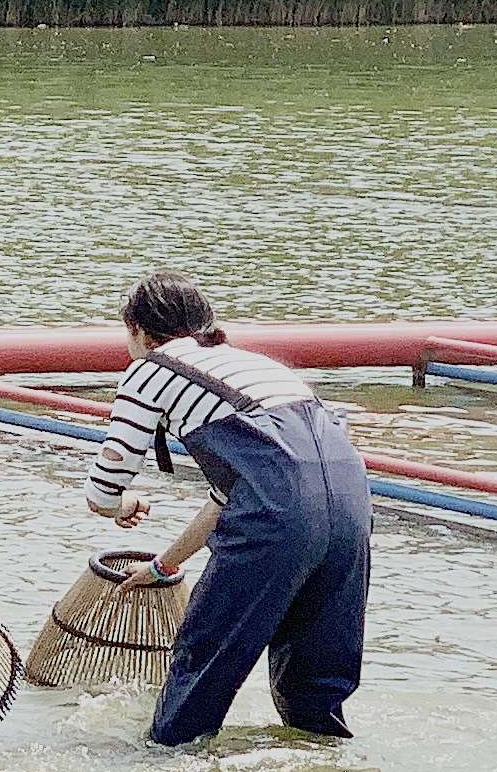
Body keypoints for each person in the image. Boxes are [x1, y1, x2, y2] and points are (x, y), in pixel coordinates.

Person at [86, 275, 371, 745]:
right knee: (314, 689)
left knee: (204, 665)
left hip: (278, 512)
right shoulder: (256, 366)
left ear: (137, 330)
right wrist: (165, 565)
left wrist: (124, 505)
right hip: (351, 507)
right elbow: (236, 492)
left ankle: (163, 769)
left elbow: (102, 489)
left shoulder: (150, 370)